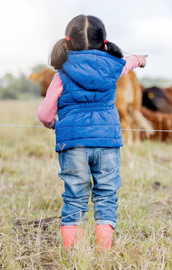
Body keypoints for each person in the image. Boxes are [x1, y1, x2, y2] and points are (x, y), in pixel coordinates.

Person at [37, 14, 147, 250]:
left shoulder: (61, 74)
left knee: (74, 197)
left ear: (67, 42)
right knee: (106, 195)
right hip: (107, 143)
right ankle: (103, 252)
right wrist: (140, 59)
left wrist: (55, 125)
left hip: (73, 145)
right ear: (104, 43)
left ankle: (72, 253)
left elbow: (45, 114)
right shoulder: (113, 67)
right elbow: (128, 62)